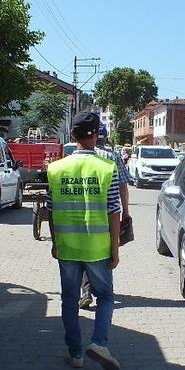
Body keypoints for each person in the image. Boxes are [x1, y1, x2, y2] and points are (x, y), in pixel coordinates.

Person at [46, 112, 122, 370]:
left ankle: (75, 353)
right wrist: (115, 249)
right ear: (96, 134)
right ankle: (99, 342)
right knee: (105, 297)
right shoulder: (106, 167)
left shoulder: (55, 169)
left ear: (72, 136)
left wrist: (55, 242)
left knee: (69, 300)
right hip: (97, 248)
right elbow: (114, 211)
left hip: (67, 246)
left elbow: (52, 210)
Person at [79, 126, 132, 309]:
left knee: (85, 250)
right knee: (108, 252)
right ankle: (103, 288)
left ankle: (86, 291)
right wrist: (125, 213)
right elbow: (123, 188)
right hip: (108, 213)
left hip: (82, 212)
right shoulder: (113, 157)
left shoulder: (79, 157)